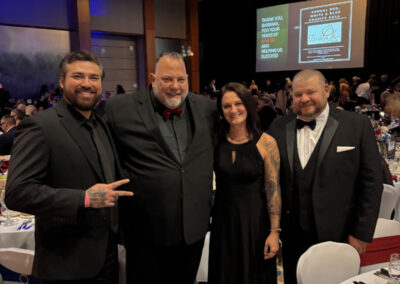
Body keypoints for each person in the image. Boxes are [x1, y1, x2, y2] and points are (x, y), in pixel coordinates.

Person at [5, 50, 133, 284]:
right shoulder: (40, 126)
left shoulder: (100, 125)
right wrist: (83, 198)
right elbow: (16, 193)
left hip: (107, 258)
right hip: (65, 265)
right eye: (78, 76)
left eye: (94, 78)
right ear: (62, 82)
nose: (87, 84)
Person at [105, 51, 217, 284]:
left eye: (181, 79)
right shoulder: (120, 108)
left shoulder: (206, 108)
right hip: (144, 232)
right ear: (153, 78)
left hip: (192, 230)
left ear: (188, 79)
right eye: (167, 79)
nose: (175, 86)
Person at [269, 69, 383, 284]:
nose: (304, 99)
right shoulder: (278, 126)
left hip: (340, 233)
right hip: (292, 235)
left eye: (310, 92)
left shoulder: (356, 125)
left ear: (326, 90)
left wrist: (360, 233)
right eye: (298, 94)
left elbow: (372, 183)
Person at [208, 82, 281, 284]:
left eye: (238, 103)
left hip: (255, 224)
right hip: (223, 223)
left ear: (248, 104)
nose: (233, 110)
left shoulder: (267, 143)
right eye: (227, 106)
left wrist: (274, 232)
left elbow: (273, 190)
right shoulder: (215, 141)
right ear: (221, 110)